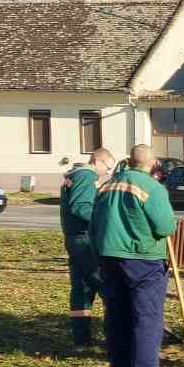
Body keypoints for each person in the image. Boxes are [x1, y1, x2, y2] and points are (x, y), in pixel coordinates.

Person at [91, 145, 177, 367]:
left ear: (128, 161)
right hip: (144, 260)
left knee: (117, 318)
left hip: (109, 259)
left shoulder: (106, 186)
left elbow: (94, 225)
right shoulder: (152, 188)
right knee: (146, 320)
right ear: (153, 163)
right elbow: (164, 226)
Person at [59, 148, 116, 347]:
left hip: (75, 239)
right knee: (106, 285)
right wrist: (104, 221)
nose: (107, 173)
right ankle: (115, 336)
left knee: (82, 289)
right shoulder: (86, 176)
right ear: (97, 161)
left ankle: (81, 340)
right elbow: (81, 207)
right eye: (107, 168)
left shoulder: (76, 175)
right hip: (84, 240)